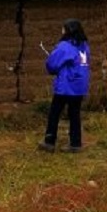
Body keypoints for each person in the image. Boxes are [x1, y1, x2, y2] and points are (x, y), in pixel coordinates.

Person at [38, 19, 90, 153]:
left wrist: (53, 68)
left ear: (68, 30)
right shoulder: (84, 45)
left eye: (63, 28)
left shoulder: (65, 46)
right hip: (80, 86)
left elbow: (52, 64)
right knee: (74, 114)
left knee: (54, 113)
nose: (62, 30)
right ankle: (75, 143)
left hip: (67, 86)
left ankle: (49, 142)